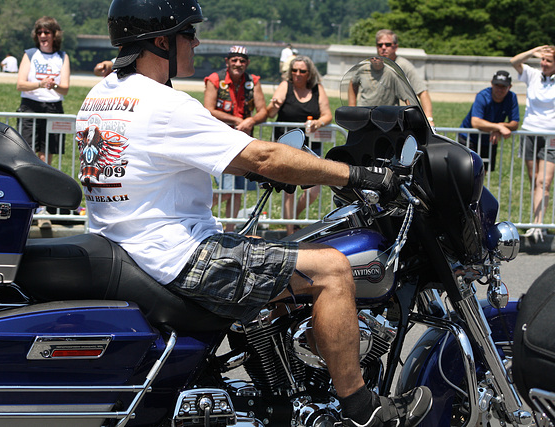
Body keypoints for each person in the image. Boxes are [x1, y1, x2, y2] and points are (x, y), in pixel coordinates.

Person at [75, 1, 432, 427]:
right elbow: (262, 155)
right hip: (178, 256)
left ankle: (284, 384)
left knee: (277, 253)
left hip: (127, 244)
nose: (197, 41)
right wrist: (356, 175)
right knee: (333, 269)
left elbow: (195, 158)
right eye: (189, 33)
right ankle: (362, 409)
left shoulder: (100, 97)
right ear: (160, 41)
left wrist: (270, 170)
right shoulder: (165, 104)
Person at [204, 45, 268, 232]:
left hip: (243, 143)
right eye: (234, 60)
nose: (238, 64)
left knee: (238, 190)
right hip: (220, 142)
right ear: (227, 61)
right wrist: (237, 120)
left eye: (242, 61)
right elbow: (208, 109)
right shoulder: (215, 80)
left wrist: (251, 120)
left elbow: (263, 111)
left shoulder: (253, 81)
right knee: (225, 190)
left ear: (247, 63)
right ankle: (201, 217)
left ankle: (230, 230)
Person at [267, 55, 333, 234]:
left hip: (309, 146)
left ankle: (294, 218)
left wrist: (319, 123)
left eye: (302, 71)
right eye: (294, 70)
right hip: (286, 146)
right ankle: (290, 232)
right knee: (289, 190)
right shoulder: (285, 86)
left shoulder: (317, 89)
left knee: (314, 190)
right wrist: (273, 105)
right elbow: (271, 113)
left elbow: (327, 114)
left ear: (309, 73)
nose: (297, 74)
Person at [511, 45, 555, 242]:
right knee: (533, 179)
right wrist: (534, 51)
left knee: (543, 182)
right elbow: (514, 61)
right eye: (542, 60)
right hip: (529, 132)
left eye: (549, 61)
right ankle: (535, 222)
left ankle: (539, 225)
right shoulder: (533, 74)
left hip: (551, 136)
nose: (544, 64)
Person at [16, 16, 71, 166]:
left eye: (46, 32)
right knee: (27, 153)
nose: (42, 36)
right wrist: (40, 84)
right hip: (30, 107)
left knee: (46, 157)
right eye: (39, 32)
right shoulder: (30, 54)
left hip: (53, 107)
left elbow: (65, 89)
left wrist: (53, 86)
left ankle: (43, 185)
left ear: (54, 35)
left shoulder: (62, 56)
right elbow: (20, 84)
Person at [458, 70, 519, 172]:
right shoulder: (482, 96)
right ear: (491, 83)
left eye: (503, 86)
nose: (499, 89)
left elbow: (515, 123)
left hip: (489, 140)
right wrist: (498, 127)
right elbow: (476, 122)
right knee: (467, 173)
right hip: (469, 138)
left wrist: (499, 125)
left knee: (482, 173)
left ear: (510, 87)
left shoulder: (512, 97)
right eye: (497, 85)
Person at [374, 29, 434, 126]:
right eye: (380, 45)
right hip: (370, 118)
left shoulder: (403, 65)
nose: (383, 48)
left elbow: (422, 92)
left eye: (388, 44)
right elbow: (353, 83)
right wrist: (352, 109)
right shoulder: (370, 64)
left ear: (395, 47)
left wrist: (429, 119)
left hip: (392, 120)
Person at [347, 56, 413, 107]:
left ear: (382, 59)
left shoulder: (391, 73)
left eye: (377, 57)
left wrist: (411, 114)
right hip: (365, 113)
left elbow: (405, 96)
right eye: (372, 58)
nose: (375, 59)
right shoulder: (362, 70)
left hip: (385, 116)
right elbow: (352, 83)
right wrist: (352, 106)